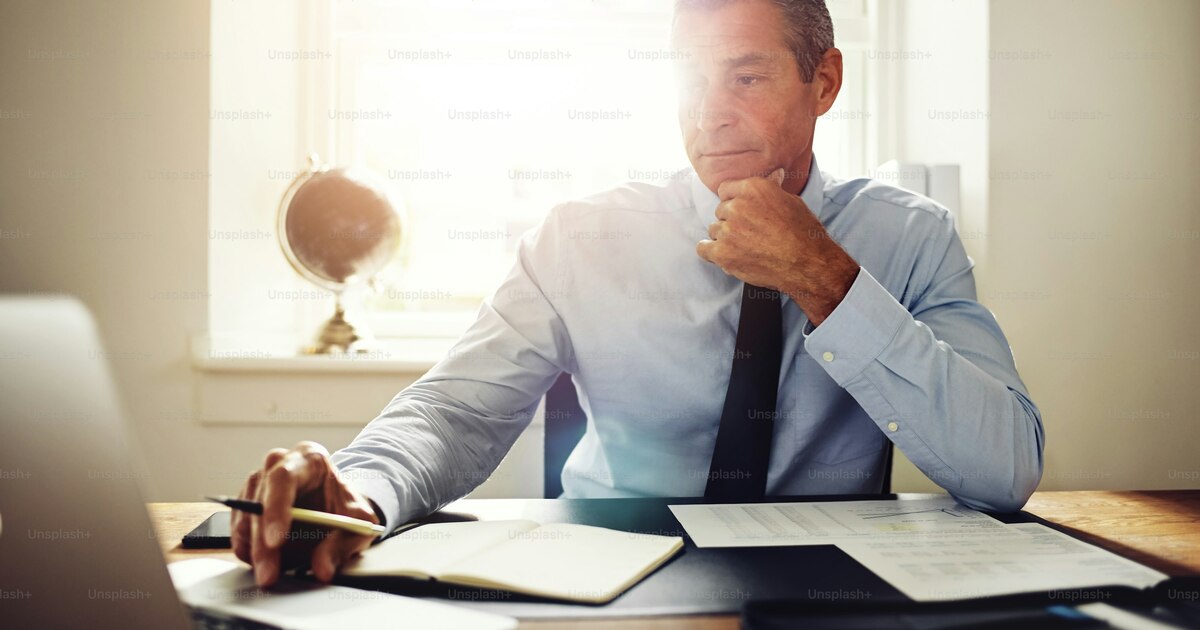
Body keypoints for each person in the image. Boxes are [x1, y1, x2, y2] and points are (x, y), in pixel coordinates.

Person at [233, 0, 1044, 587]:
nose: (710, 114)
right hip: (608, 580)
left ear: (824, 81)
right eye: (690, 80)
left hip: (830, 587)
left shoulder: (912, 237)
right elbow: (456, 410)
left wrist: (823, 277)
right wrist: (358, 489)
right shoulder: (580, 237)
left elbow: (1002, 468)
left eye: (747, 76)